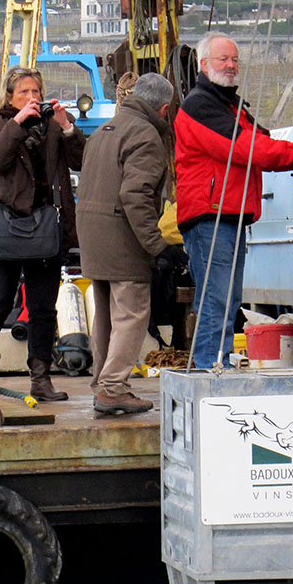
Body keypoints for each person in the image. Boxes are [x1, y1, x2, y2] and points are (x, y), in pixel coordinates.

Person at [174, 32, 293, 369]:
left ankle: (212, 364)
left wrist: (289, 153)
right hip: (213, 216)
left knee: (224, 298)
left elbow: (259, 140)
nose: (230, 65)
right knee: (218, 298)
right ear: (203, 64)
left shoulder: (225, 106)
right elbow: (246, 147)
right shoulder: (200, 106)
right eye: (223, 59)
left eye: (234, 60)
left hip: (226, 215)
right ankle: (211, 367)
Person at [0, 66, 85, 402]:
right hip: (5, 227)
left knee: (43, 308)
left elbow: (82, 160)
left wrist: (66, 127)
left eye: (36, 92)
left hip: (46, 228)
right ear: (10, 97)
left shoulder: (51, 126)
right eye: (25, 93)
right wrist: (17, 122)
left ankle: (41, 379)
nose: (32, 98)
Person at [77, 72, 178, 416]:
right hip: (123, 239)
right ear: (164, 109)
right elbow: (135, 195)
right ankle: (113, 387)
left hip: (93, 235)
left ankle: (102, 381)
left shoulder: (106, 129)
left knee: (105, 314)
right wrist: (158, 246)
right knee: (133, 312)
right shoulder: (146, 135)